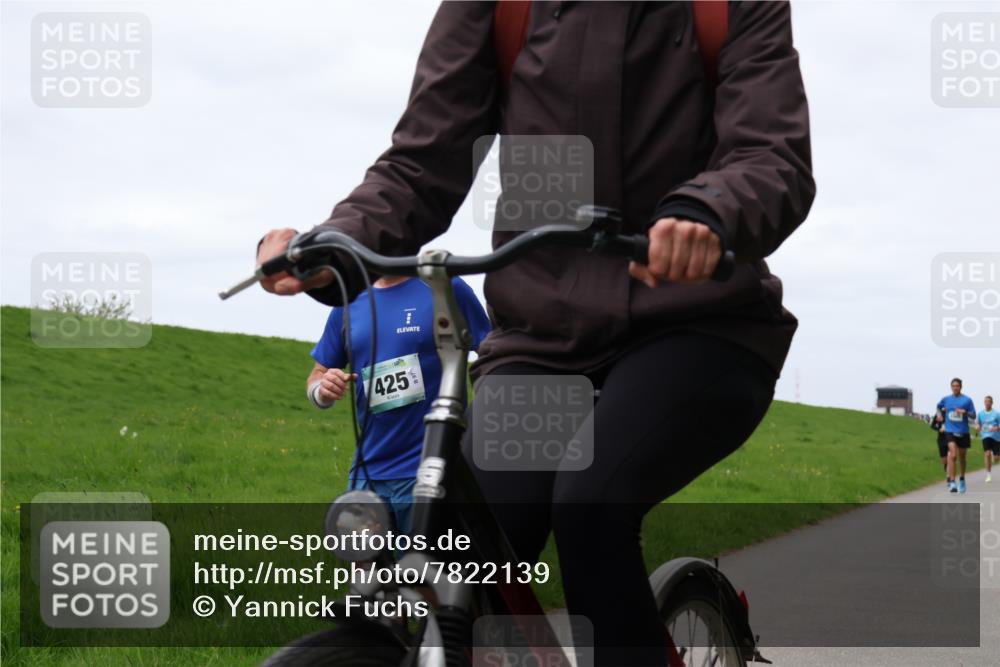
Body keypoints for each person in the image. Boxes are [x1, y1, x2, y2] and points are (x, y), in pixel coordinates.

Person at [257, 3, 814, 664]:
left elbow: (771, 154)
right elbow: (422, 161)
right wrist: (335, 243)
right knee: (462, 549)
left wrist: (709, 212)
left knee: (592, 502)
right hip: (542, 337)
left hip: (698, 321)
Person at [307, 274, 491, 533]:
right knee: (359, 559)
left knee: (425, 559)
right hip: (367, 471)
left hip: (431, 468)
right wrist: (322, 389)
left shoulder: (446, 287)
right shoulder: (348, 300)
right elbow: (318, 373)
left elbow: (490, 353)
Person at [937, 378, 976, 494]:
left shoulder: (967, 400)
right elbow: (938, 406)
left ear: (961, 387)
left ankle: (962, 479)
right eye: (953, 386)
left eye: (957, 386)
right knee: (953, 455)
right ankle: (952, 481)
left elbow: (973, 415)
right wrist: (939, 416)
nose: (955, 388)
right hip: (950, 431)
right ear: (951, 387)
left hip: (963, 432)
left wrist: (965, 412)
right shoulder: (946, 399)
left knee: (962, 458)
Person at [976, 395, 1000, 483]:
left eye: (989, 401)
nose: (987, 403)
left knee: (997, 458)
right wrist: (977, 427)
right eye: (986, 401)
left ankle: (995, 456)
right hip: (985, 436)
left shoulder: (996, 414)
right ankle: (988, 475)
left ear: (991, 403)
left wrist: (997, 428)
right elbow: (978, 423)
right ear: (984, 403)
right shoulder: (980, 413)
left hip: (996, 437)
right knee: (987, 454)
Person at [931, 408, 949, 486]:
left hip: (950, 438)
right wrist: (939, 429)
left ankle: (949, 477)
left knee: (950, 457)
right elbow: (932, 426)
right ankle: (946, 468)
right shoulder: (938, 414)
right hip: (941, 439)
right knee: (944, 460)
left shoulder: (951, 413)